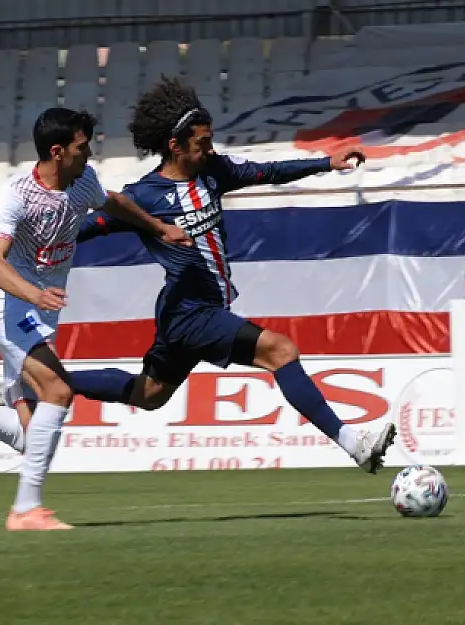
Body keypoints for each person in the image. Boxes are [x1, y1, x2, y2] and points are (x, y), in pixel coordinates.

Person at [54, 77, 397, 473]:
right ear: (175, 146)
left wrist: (326, 162)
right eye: (202, 143)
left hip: (185, 313)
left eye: (210, 140)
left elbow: (266, 171)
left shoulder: (213, 172)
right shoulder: (144, 197)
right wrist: (37, 245)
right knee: (280, 350)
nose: (210, 149)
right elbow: (88, 227)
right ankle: (355, 444)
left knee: (149, 394)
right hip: (191, 312)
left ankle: (48, 382)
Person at [0, 107, 192, 531]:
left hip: (38, 310)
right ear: (58, 151)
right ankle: (26, 511)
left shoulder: (82, 182)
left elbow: (114, 202)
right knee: (58, 391)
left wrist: (158, 228)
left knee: (31, 436)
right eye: (83, 147)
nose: (90, 153)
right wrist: (33, 293)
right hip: (8, 307)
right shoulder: (18, 195)